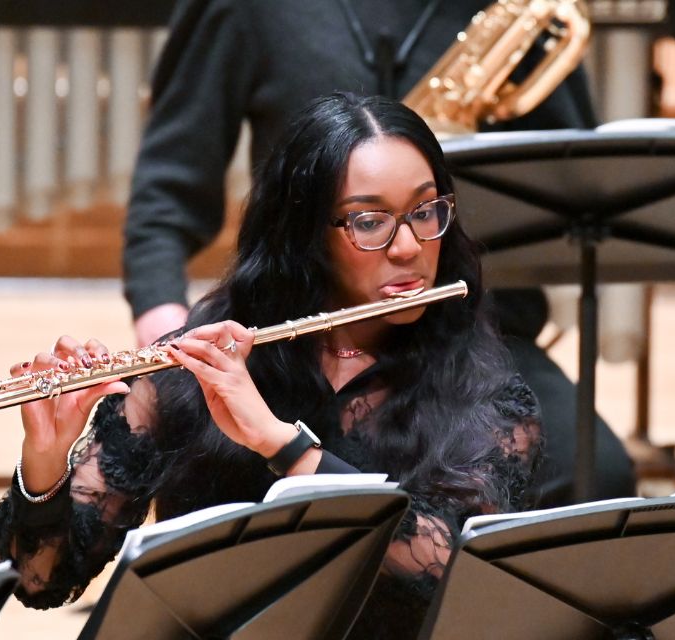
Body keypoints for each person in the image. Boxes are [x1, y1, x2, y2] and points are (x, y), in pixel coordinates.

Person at [0, 94, 543, 637]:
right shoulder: (199, 367)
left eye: (425, 212)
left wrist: (282, 446)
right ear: (304, 234)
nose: (408, 247)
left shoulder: (486, 395)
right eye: (370, 222)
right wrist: (45, 460)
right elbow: (42, 580)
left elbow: (448, 567)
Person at [122, 0, 635, 505]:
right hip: (295, 343)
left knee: (597, 472)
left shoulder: (523, 10)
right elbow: (168, 187)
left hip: (468, 339)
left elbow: (577, 188)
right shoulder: (244, 9)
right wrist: (163, 324)